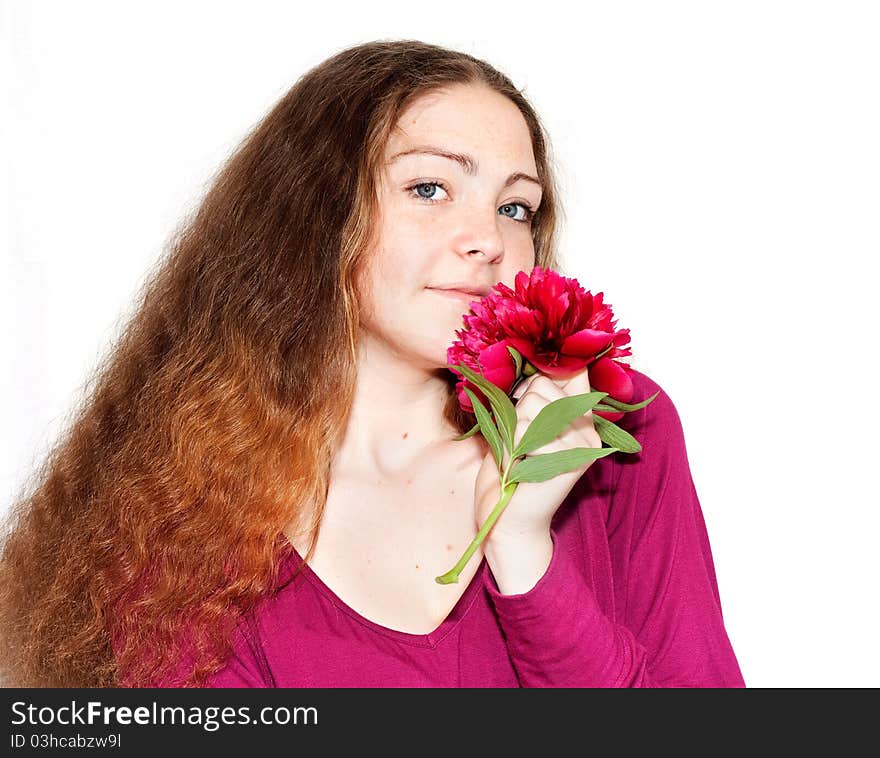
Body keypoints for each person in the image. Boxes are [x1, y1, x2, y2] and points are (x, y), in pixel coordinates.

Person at [0, 39, 745, 688]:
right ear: (315, 220)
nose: (487, 237)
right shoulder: (176, 517)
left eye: (516, 208)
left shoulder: (614, 428)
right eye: (429, 188)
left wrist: (526, 554)